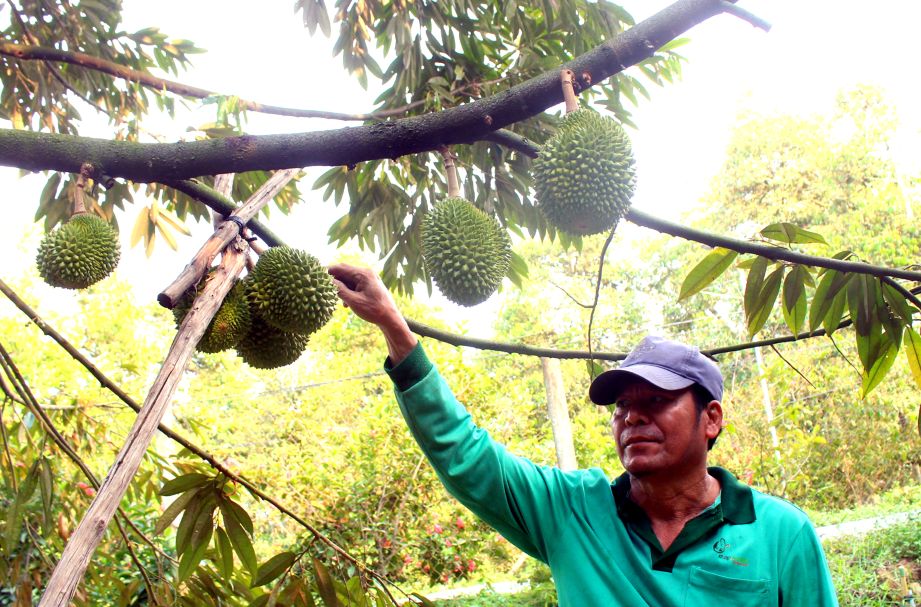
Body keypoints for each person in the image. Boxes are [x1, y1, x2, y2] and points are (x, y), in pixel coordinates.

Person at [328, 263, 839, 606]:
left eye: (657, 400)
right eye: (622, 406)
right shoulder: (572, 512)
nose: (632, 417)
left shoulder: (782, 534)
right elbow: (466, 455)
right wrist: (394, 326)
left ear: (711, 419)